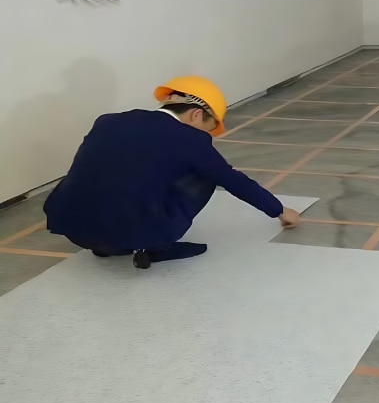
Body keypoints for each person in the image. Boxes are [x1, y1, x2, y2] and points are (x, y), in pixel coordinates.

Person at [44, 76, 300, 270]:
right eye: (207, 128)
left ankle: (106, 244)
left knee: (109, 169)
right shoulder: (191, 140)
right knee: (207, 175)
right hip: (128, 234)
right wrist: (278, 209)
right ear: (196, 114)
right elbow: (234, 181)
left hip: (72, 228)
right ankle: (154, 245)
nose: (205, 136)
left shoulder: (108, 120)